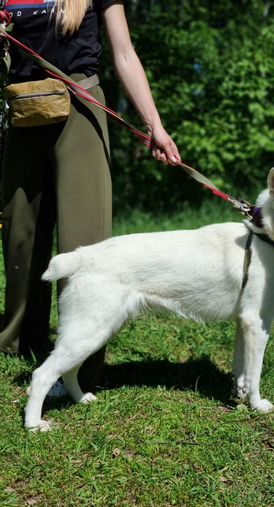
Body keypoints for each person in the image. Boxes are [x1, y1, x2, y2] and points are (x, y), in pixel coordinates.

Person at [0, 0, 181, 394]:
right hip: (24, 110)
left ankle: (82, 368)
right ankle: (17, 344)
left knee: (85, 241)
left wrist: (155, 125)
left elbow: (125, 55)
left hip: (80, 110)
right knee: (20, 235)